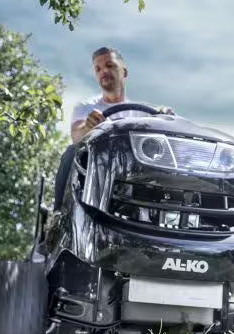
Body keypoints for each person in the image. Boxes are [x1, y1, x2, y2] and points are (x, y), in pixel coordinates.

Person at [53, 46, 171, 212]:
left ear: (124, 72)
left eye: (110, 65)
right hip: (94, 170)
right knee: (72, 151)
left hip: (131, 176)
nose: (104, 71)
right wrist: (88, 126)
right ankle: (58, 212)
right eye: (98, 69)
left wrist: (165, 117)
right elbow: (76, 136)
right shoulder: (86, 107)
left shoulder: (142, 113)